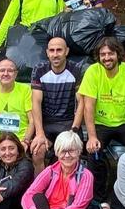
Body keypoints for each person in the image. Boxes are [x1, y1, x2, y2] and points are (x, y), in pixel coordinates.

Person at [80, 36, 125, 158]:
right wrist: (92, 137)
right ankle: (99, 177)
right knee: (93, 153)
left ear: (118, 54)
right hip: (101, 123)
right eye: (102, 54)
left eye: (110, 53)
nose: (106, 58)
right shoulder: (92, 71)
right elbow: (88, 106)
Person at [28, 36, 86, 172]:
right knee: (38, 152)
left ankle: (70, 189)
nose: (55, 54)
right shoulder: (39, 69)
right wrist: (40, 133)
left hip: (68, 122)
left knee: (70, 153)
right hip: (46, 124)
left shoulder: (76, 70)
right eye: (52, 50)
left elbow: (81, 102)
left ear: (66, 51)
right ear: (47, 53)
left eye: (59, 50)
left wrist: (74, 130)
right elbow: (36, 102)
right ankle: (40, 190)